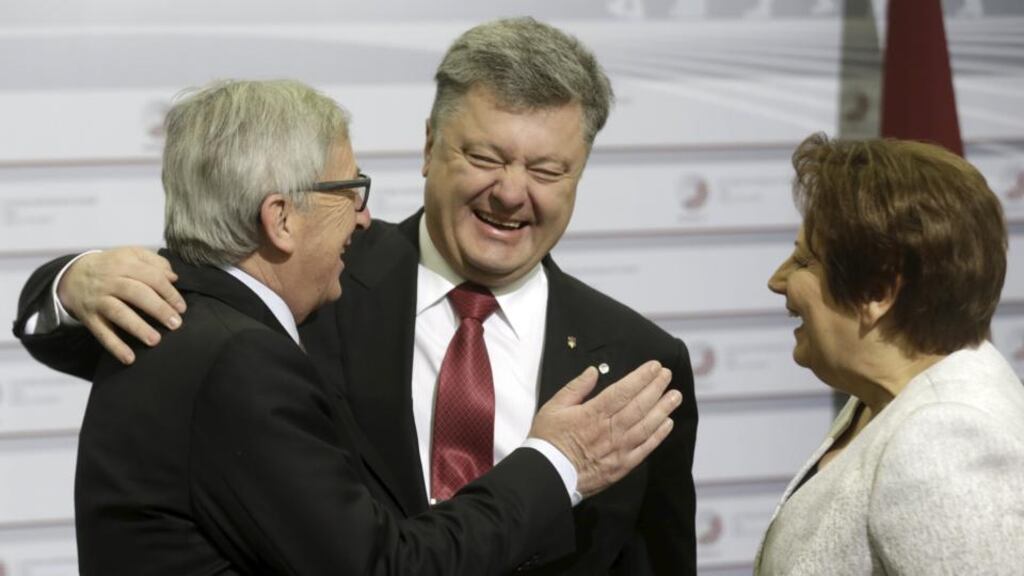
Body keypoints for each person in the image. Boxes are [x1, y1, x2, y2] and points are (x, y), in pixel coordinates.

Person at [14, 18, 698, 574]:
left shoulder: (640, 364)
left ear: (579, 175)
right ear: (430, 147)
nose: (513, 192)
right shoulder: (313, 277)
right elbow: (181, 317)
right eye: (486, 158)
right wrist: (73, 282)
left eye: (546, 169)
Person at [756, 133, 1024, 575]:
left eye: (804, 263)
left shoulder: (946, 439)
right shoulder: (886, 400)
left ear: (878, 292)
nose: (777, 280)